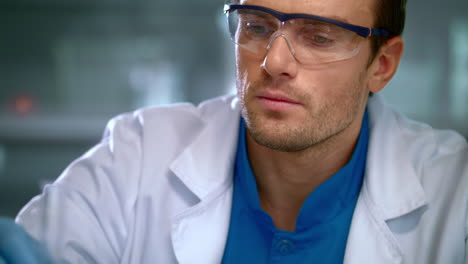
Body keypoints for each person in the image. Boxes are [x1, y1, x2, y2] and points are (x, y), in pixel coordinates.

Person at [0, 0, 467, 263]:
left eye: (319, 36)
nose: (274, 62)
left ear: (381, 66)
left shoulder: (456, 194)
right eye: (257, 26)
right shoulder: (136, 156)